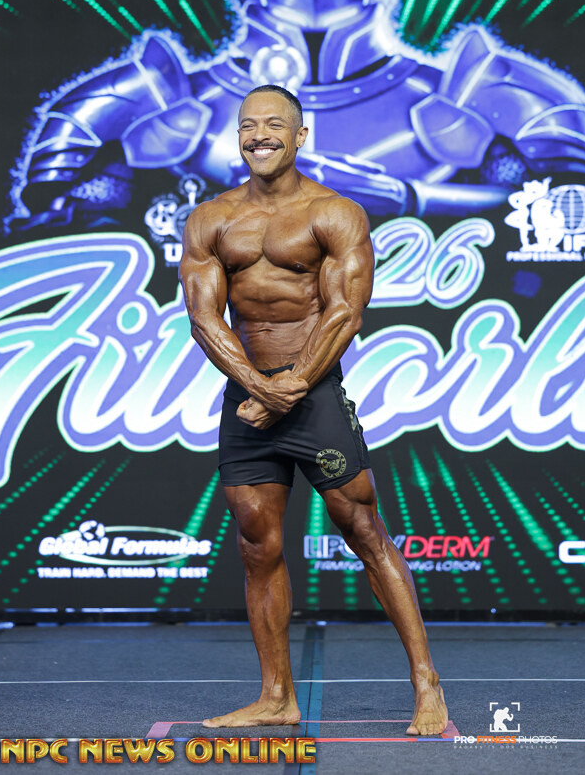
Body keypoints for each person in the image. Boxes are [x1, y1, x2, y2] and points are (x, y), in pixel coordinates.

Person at [179, 84, 448, 736]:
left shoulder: (334, 213)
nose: (259, 135)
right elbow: (204, 317)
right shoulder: (211, 219)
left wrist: (291, 386)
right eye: (248, 125)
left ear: (300, 136)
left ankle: (427, 685)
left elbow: (346, 311)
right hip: (247, 394)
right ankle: (276, 696)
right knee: (256, 541)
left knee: (362, 528)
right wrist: (256, 383)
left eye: (274, 125)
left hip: (315, 393)